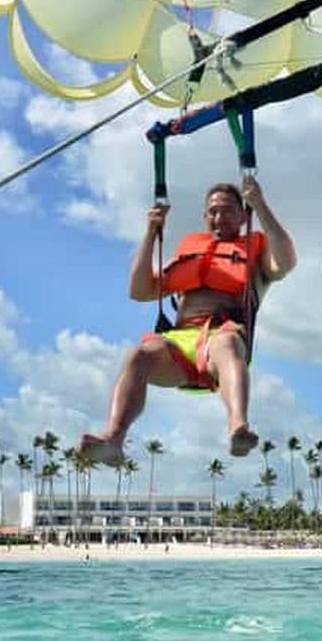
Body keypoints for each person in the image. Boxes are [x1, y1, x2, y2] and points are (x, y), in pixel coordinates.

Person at [79, 176, 296, 465]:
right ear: (205, 216)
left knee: (227, 343)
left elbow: (286, 261)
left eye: (229, 210)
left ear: (244, 217)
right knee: (138, 356)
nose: (220, 217)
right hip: (180, 342)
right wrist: (150, 232)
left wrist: (260, 204)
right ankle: (114, 439)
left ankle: (238, 426)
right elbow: (139, 290)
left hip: (222, 333)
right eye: (213, 211)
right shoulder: (192, 250)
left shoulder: (255, 253)